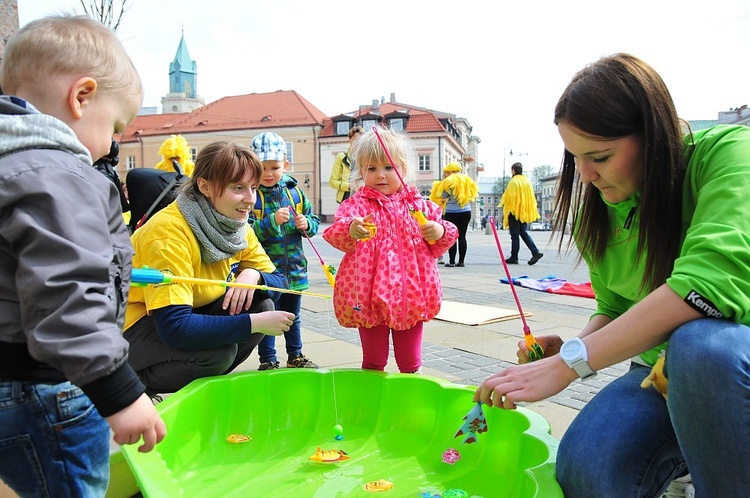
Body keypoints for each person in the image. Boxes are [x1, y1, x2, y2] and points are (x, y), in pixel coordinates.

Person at [475, 53, 750, 498]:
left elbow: (708, 287)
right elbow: (615, 306)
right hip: (658, 377)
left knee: (702, 348)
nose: (584, 174)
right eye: (575, 157)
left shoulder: (730, 154)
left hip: (728, 368)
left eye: (599, 155)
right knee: (586, 470)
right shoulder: (602, 205)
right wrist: (564, 350)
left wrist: (572, 363)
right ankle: (690, 457)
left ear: (654, 136)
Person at [0, 15, 166, 496]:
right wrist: (120, 392)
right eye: (114, 126)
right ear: (82, 96)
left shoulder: (12, 161)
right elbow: (66, 294)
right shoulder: (58, 173)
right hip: (49, 387)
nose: (113, 143)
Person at [124, 141, 296, 395]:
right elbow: (175, 328)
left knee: (262, 303)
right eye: (238, 188)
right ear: (204, 186)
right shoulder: (169, 232)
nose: (250, 200)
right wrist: (253, 323)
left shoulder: (236, 226)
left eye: (253, 188)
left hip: (180, 314)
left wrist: (254, 274)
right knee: (218, 354)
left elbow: (281, 281)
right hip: (125, 328)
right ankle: (129, 385)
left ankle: (203, 383)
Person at [323, 128, 458, 373]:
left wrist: (439, 231)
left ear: (403, 169)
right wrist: (351, 229)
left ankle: (409, 397)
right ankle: (375, 400)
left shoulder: (419, 205)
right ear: (361, 172)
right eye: (371, 169)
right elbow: (335, 233)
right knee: (374, 361)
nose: (380, 175)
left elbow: (443, 238)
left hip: (412, 297)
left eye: (388, 167)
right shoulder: (356, 205)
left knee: (410, 361)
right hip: (367, 297)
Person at [249, 132, 320, 370]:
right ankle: (268, 359)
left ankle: (295, 355)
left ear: (285, 165)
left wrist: (306, 224)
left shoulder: (295, 192)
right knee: (268, 316)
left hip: (295, 271)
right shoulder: (252, 195)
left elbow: (314, 220)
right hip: (267, 272)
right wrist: (271, 221)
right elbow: (246, 233)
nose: (268, 173)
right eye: (263, 167)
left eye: (274, 167)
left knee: (293, 317)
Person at [429, 162, 478, 267]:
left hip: (452, 212)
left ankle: (451, 261)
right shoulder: (467, 180)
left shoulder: (449, 181)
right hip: (466, 211)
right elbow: (472, 194)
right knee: (462, 236)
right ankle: (461, 261)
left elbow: (442, 196)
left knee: (452, 236)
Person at [498, 162, 543, 265]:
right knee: (523, 233)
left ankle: (514, 257)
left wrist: (508, 211)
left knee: (515, 235)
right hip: (524, 212)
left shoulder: (513, 182)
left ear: (513, 170)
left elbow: (510, 198)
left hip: (514, 212)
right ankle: (535, 252)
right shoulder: (527, 182)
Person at [329, 125, 364, 204]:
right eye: (355, 139)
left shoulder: (366, 159)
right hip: (345, 199)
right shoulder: (341, 157)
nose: (358, 142)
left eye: (361, 140)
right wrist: (349, 186)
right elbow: (332, 182)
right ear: (350, 139)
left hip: (362, 198)